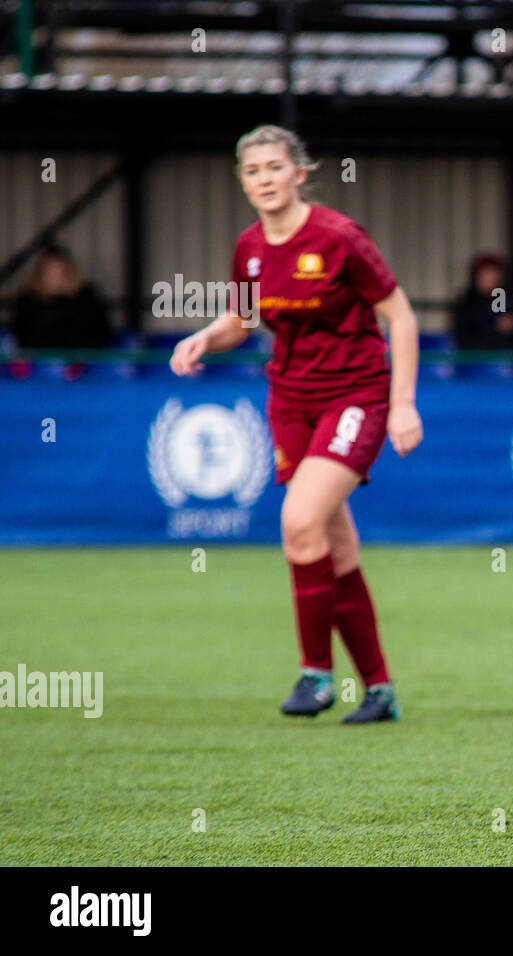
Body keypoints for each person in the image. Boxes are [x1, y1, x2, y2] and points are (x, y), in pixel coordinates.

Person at [170, 125, 423, 724]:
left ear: (299, 172)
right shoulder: (250, 247)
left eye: (274, 167)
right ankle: (380, 690)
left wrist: (404, 401)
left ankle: (315, 674)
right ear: (243, 181)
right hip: (289, 403)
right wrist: (207, 335)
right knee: (332, 547)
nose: (265, 179)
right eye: (253, 170)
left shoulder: (339, 238)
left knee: (298, 520)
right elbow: (244, 319)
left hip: (354, 396)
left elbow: (401, 317)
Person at [11, 243, 113, 350]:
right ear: (40, 269)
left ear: (66, 268)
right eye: (49, 266)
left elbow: (100, 330)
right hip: (41, 358)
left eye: (58, 266)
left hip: (80, 357)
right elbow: (21, 333)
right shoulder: (29, 297)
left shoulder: (85, 295)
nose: (53, 271)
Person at [451, 252, 513, 350]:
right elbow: (463, 338)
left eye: (495, 274)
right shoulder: (467, 302)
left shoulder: (511, 299)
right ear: (477, 276)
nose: (492, 278)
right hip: (477, 359)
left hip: (510, 358)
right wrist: (494, 329)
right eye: (487, 274)